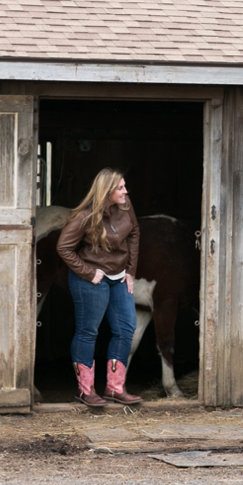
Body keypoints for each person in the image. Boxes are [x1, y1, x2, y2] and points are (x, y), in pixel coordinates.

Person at [56, 168, 142, 406]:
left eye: (125, 186)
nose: (126, 191)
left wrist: (131, 271)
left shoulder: (125, 206)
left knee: (126, 328)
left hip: (119, 276)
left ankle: (114, 388)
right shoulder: (85, 216)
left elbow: (134, 232)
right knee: (88, 331)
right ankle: (85, 390)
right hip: (91, 278)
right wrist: (88, 272)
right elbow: (63, 247)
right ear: (107, 191)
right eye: (121, 188)